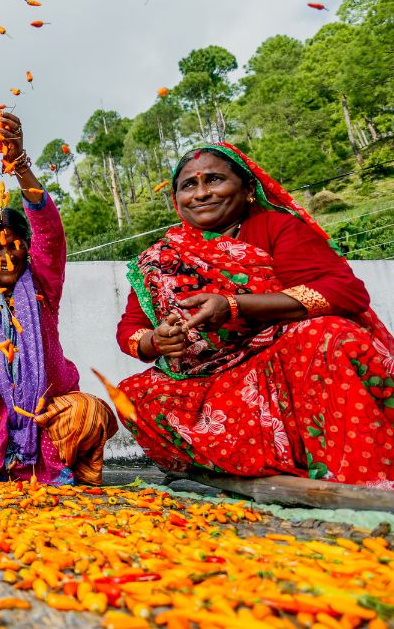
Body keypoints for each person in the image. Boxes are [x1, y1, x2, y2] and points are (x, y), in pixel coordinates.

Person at [115, 142, 394, 486]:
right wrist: (155, 341)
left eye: (215, 180)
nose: (202, 193)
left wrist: (235, 305)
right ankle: (236, 470)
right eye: (189, 185)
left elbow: (344, 291)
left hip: (282, 362)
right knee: (132, 394)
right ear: (176, 200)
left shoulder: (275, 228)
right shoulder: (160, 258)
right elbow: (130, 328)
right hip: (209, 382)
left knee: (326, 335)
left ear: (248, 189)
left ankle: (347, 472)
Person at [0, 113, 118, 485]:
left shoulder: (44, 284)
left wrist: (18, 164)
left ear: (27, 249)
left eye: (13, 245)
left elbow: (50, 231)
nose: (5, 254)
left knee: (91, 412)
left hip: (48, 412)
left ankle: (51, 465)